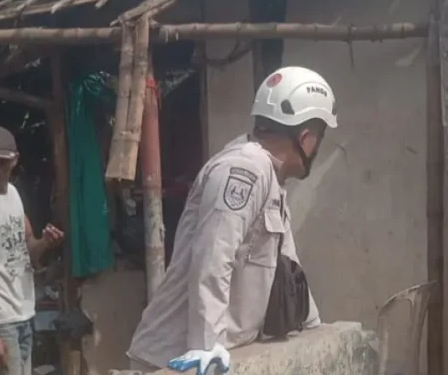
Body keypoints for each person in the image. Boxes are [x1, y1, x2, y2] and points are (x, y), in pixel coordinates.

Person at [127, 66, 337, 371]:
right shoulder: (244, 169)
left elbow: (290, 270)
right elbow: (213, 256)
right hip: (175, 362)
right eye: (319, 138)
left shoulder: (273, 182)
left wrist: (317, 333)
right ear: (306, 138)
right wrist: (207, 345)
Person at [0, 124, 65, 375]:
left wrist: (45, 243)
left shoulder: (13, 194)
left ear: (14, 160)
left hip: (22, 312)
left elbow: (27, 248)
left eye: (1, 162)